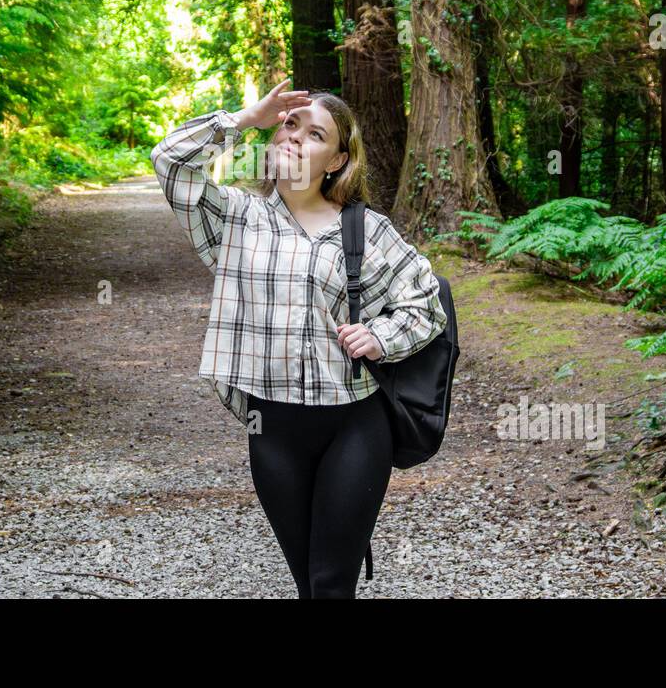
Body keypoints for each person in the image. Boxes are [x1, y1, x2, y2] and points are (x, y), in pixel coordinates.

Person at [150, 79, 449, 598]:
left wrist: (380, 337)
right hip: (274, 428)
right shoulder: (236, 218)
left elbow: (427, 302)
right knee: (308, 584)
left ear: (335, 161)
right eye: (290, 124)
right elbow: (170, 161)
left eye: (315, 134)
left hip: (354, 424)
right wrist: (246, 119)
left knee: (332, 584)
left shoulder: (366, 230)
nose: (294, 137)